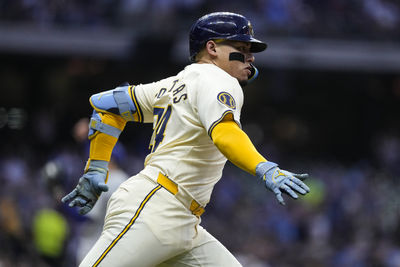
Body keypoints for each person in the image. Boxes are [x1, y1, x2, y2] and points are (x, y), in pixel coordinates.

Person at [62, 12, 310, 266]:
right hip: (155, 208)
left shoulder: (177, 83)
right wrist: (263, 167)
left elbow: (109, 106)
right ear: (212, 48)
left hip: (182, 220)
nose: (250, 56)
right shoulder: (219, 79)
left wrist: (96, 167)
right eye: (241, 47)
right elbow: (225, 133)